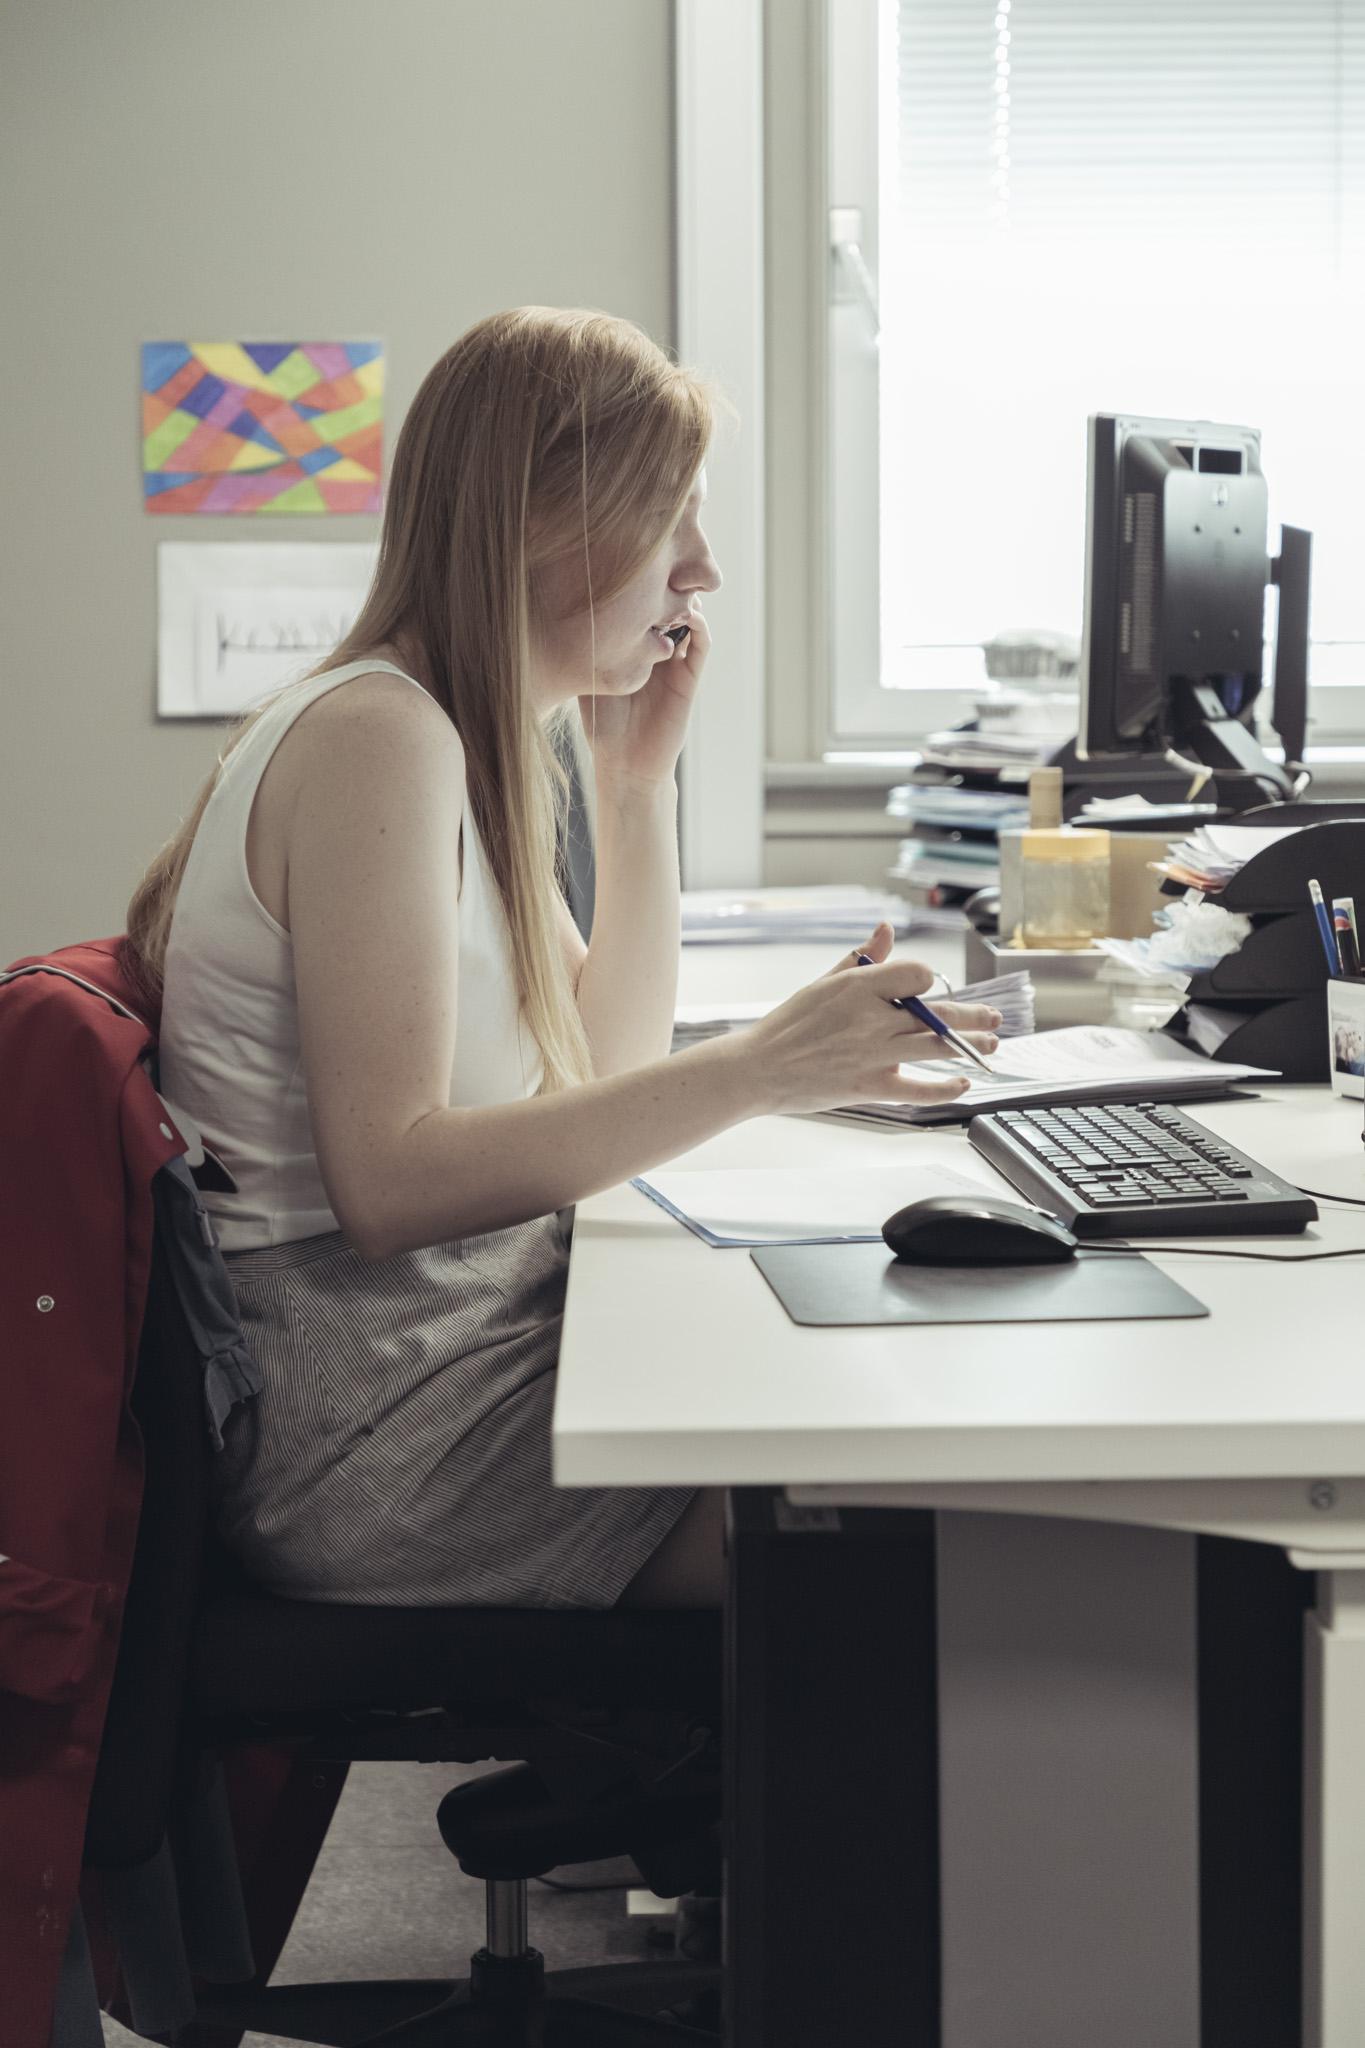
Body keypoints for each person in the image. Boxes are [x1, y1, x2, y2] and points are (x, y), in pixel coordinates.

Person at [123, 307, 1000, 1613]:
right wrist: (761, 1068)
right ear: (536, 528)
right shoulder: (377, 738)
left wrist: (634, 786)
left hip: (450, 1332)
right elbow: (389, 1185)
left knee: (857, 1391)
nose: (702, 572)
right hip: (381, 1416)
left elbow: (597, 1066)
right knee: (898, 1508)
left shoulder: (454, 737)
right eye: (669, 521)